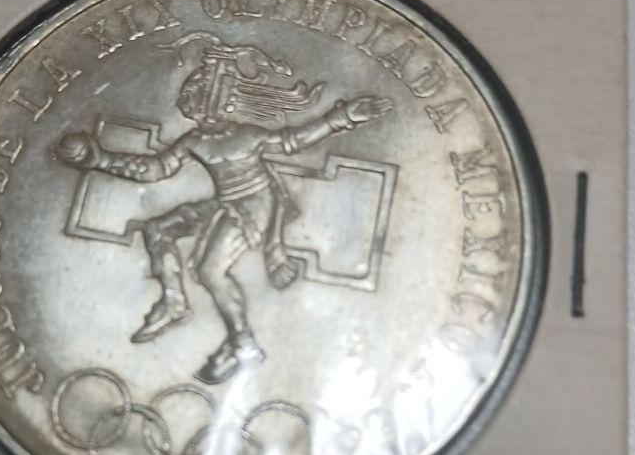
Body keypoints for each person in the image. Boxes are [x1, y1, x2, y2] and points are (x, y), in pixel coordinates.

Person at [56, 36, 391, 384]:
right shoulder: (195, 140)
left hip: (255, 207)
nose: (187, 104)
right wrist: (100, 160)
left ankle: (244, 344)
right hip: (226, 204)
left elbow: (296, 139)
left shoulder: (248, 135)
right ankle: (173, 302)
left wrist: (343, 117)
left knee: (210, 271)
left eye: (193, 96)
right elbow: (154, 169)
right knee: (157, 229)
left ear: (213, 100)